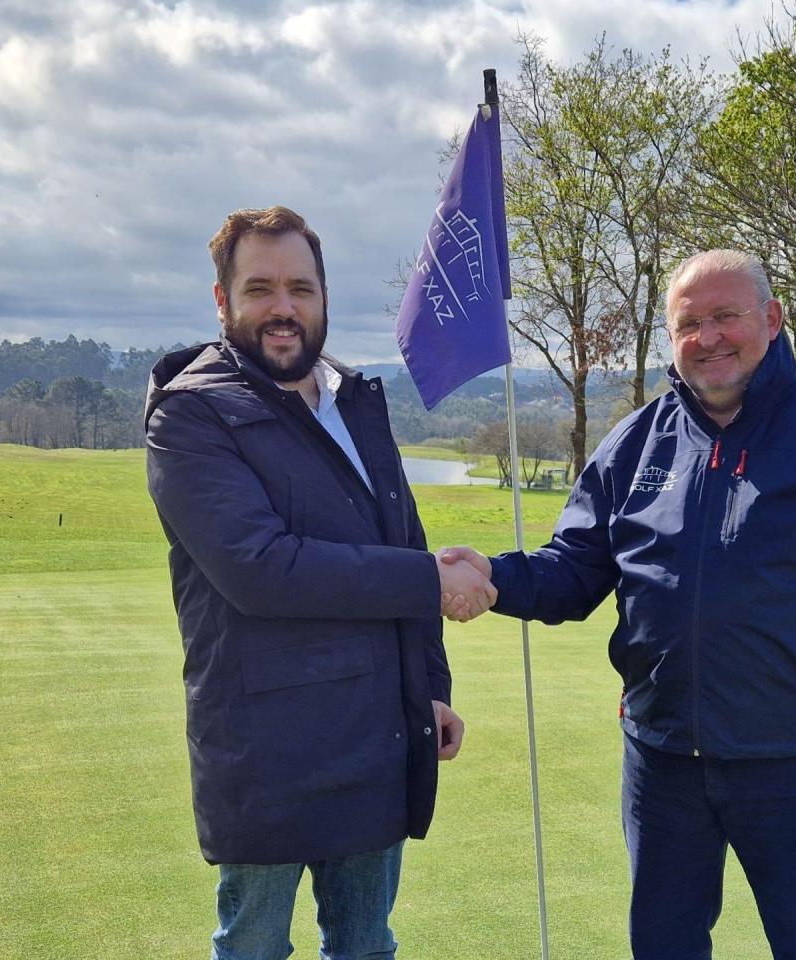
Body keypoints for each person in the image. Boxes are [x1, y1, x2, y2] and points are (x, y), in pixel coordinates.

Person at [441, 250, 796, 960]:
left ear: (770, 319)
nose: (707, 337)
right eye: (689, 324)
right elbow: (575, 571)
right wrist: (493, 574)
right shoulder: (635, 443)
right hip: (662, 759)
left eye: (725, 317)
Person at [145, 205, 495, 960]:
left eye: (301, 288)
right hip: (266, 748)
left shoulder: (355, 403)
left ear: (323, 298)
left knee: (367, 946)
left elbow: (405, 539)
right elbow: (262, 569)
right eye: (260, 288)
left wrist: (431, 685)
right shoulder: (190, 415)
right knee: (255, 948)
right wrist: (428, 581)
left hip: (375, 736)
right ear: (222, 301)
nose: (283, 308)